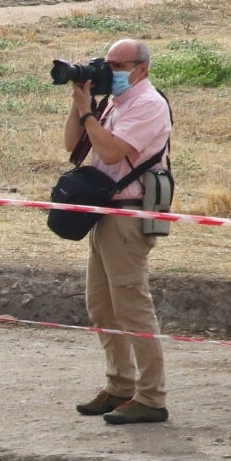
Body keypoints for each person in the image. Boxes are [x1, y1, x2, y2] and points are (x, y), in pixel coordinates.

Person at [63, 38, 173, 424]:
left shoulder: (149, 105)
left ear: (141, 68)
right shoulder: (114, 102)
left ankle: (151, 397)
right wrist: (81, 105)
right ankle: (121, 384)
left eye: (117, 65)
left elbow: (111, 153)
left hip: (128, 215)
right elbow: (71, 146)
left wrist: (88, 115)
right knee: (102, 305)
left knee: (132, 307)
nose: (109, 71)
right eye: (105, 63)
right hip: (103, 212)